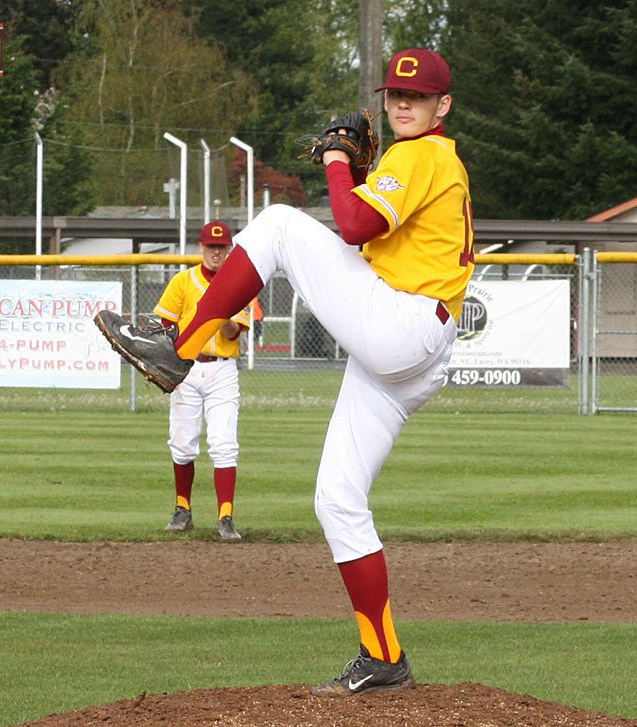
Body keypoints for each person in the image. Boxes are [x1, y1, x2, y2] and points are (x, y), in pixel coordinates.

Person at [95, 48, 473, 696]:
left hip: (402, 322)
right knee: (337, 499)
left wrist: (335, 162)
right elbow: (370, 233)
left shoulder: (422, 155)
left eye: (417, 96)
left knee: (274, 226)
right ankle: (384, 658)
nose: (403, 104)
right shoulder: (426, 162)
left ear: (444, 105)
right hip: (413, 348)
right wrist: (359, 169)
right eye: (395, 94)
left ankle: (179, 346)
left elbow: (350, 224)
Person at [152, 221, 251, 542]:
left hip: (223, 370)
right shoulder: (183, 281)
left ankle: (225, 516)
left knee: (224, 444)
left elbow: (233, 333)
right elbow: (165, 326)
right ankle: (182, 509)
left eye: (222, 247)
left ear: (229, 249)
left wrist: (221, 306)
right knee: (182, 444)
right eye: (211, 247)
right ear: (202, 247)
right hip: (188, 369)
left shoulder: (240, 283)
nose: (216, 252)